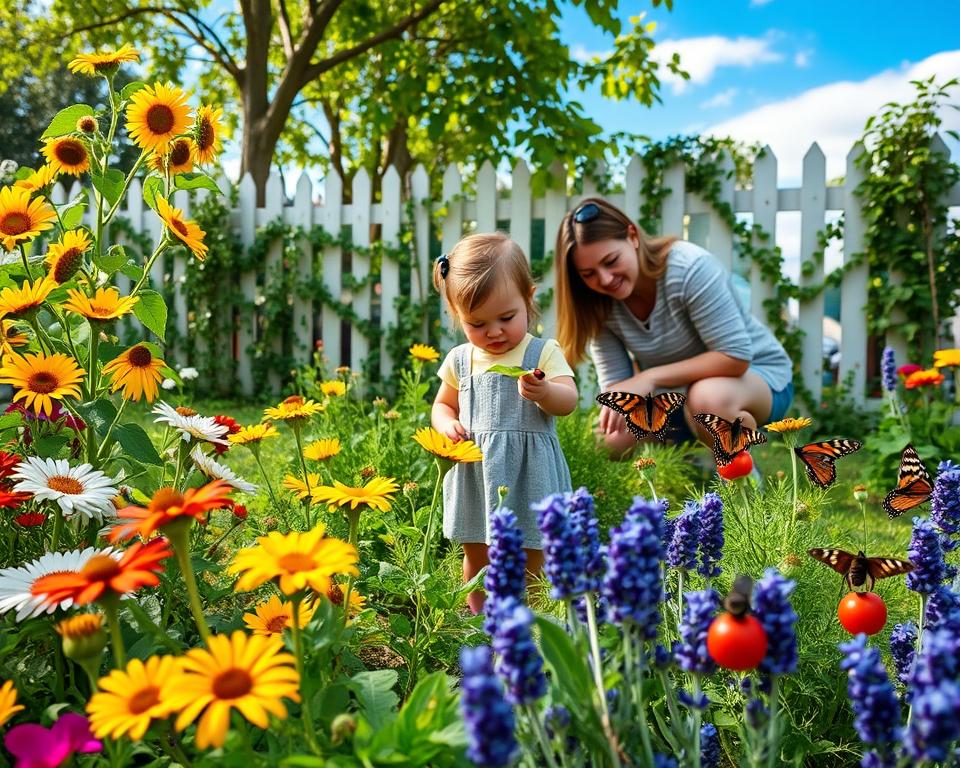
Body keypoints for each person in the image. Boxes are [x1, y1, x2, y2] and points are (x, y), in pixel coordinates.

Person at [554, 197, 793, 457]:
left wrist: (649, 377)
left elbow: (734, 356)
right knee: (612, 438)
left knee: (708, 398)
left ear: (632, 237)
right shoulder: (597, 303)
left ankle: (743, 484)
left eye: (611, 261)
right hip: (676, 400)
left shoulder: (690, 268)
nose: (605, 279)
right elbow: (619, 387)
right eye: (588, 274)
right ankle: (671, 475)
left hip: (757, 381)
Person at [432, 232, 578, 613]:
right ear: (457, 316)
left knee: (534, 552)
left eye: (506, 317)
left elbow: (569, 399)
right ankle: (479, 620)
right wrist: (447, 425)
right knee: (477, 551)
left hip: (530, 472)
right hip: (476, 472)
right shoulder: (461, 359)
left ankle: (534, 620)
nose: (494, 332)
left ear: (529, 298)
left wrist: (545, 394)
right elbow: (442, 406)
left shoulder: (541, 352)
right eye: (476, 323)